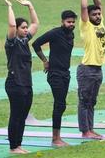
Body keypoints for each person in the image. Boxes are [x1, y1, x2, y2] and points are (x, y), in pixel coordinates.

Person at [32, 10, 77, 147]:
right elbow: (36, 44)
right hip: (55, 74)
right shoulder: (55, 33)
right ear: (62, 21)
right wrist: (45, 60)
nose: (71, 24)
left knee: (61, 105)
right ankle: (55, 138)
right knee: (60, 104)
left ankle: (57, 136)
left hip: (65, 74)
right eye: (69, 22)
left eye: (73, 22)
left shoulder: (71, 34)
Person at [3, 0, 39, 154]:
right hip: (14, 83)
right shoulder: (12, 43)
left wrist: (30, 6)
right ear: (16, 29)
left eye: (26, 27)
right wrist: (10, 7)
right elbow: (11, 24)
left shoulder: (24, 41)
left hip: (26, 83)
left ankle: (18, 145)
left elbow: (36, 24)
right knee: (16, 115)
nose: (26, 29)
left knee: (23, 116)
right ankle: (13, 147)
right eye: (23, 28)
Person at [76, 0, 105, 139]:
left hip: (97, 69)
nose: (97, 16)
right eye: (94, 14)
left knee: (92, 102)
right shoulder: (86, 26)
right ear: (88, 17)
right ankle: (85, 131)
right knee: (84, 101)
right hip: (87, 69)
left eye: (98, 14)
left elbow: (99, 3)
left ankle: (91, 129)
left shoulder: (100, 22)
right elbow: (83, 7)